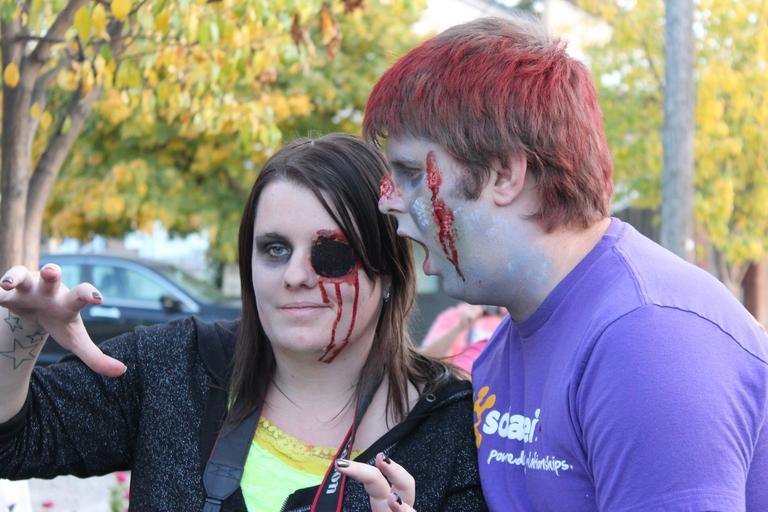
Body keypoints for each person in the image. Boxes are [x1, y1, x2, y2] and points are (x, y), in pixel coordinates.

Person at [338, 15, 768, 512]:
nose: (388, 200)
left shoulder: (649, 340)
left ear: (504, 173)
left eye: (413, 173)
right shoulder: (507, 346)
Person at [0, 134, 486, 511]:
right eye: (274, 249)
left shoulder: (453, 427)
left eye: (331, 253)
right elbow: (14, 443)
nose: (295, 275)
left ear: (388, 272)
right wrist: (23, 329)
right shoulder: (174, 367)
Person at [419, 304, 506, 373]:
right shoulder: (454, 316)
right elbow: (426, 361)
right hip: (464, 381)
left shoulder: (510, 316)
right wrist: (460, 326)